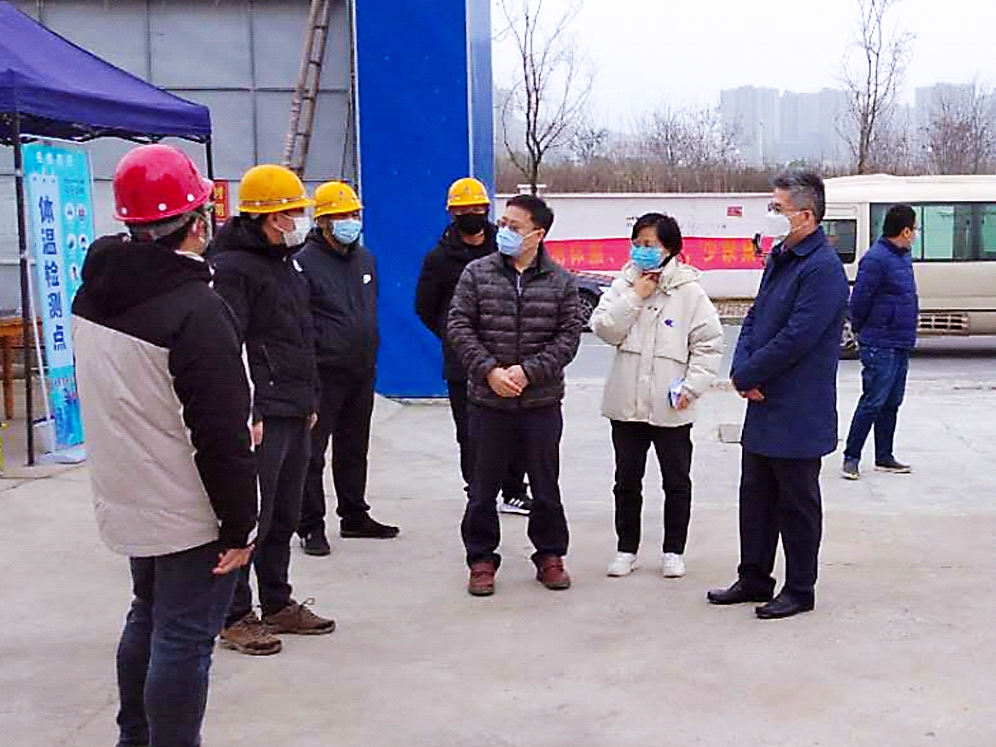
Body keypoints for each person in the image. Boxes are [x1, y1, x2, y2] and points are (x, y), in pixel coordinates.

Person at [72, 144, 257, 747]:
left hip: (128, 491)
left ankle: (134, 737)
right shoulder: (195, 309)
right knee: (183, 639)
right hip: (186, 507)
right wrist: (240, 525)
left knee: (147, 616)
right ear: (196, 221)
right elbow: (221, 438)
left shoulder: (96, 290)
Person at [707, 170, 849, 620]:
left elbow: (797, 337)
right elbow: (755, 317)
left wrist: (751, 372)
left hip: (798, 406)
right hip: (762, 400)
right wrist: (740, 370)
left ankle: (800, 588)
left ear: (805, 215)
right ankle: (754, 577)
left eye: (777, 208)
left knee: (797, 503)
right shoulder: (781, 256)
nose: (770, 215)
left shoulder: (822, 268)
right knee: (756, 496)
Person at [210, 165, 335, 655]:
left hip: (295, 405)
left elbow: (301, 336)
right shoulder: (231, 269)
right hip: (262, 411)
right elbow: (228, 346)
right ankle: (234, 613)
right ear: (267, 216)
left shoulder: (287, 263)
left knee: (284, 513)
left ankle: (277, 601)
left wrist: (311, 398)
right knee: (250, 517)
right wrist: (251, 411)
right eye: (292, 212)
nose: (299, 221)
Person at [448, 193, 583, 597]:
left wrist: (528, 372)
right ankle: (481, 559)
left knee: (545, 486)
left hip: (540, 403)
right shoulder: (477, 274)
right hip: (488, 402)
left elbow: (569, 338)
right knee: (482, 488)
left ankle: (550, 555)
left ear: (537, 235)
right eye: (503, 223)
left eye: (514, 226)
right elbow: (458, 325)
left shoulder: (561, 282)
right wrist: (489, 370)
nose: (503, 231)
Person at [590, 212, 724, 580]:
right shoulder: (624, 284)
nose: (641, 251)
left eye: (649, 244)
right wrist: (636, 296)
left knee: (676, 482)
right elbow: (604, 328)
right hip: (627, 404)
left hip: (672, 405)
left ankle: (673, 551)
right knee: (626, 481)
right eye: (636, 244)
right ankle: (626, 549)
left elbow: (708, 344)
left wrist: (692, 387)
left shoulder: (689, 292)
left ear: (669, 248)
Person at [415, 177, 532, 515]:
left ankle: (514, 491)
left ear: (486, 210)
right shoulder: (439, 258)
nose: (471, 214)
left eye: (477, 208)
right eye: (463, 209)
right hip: (463, 362)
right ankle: (478, 492)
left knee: (516, 428)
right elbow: (426, 307)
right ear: (452, 214)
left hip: (509, 355)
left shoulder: (505, 249)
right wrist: (456, 338)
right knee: (471, 432)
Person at [295, 181, 399, 555]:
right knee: (311, 453)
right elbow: (299, 321)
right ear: (323, 221)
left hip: (361, 369)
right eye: (341, 216)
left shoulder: (365, 259)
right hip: (322, 374)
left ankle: (354, 515)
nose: (350, 221)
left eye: (354, 214)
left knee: (354, 447)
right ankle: (310, 525)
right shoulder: (303, 263)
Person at [841, 204, 919, 480]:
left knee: (892, 401)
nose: (916, 234)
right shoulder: (876, 259)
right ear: (905, 231)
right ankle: (851, 457)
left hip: (900, 340)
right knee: (873, 400)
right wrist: (861, 330)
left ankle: (884, 456)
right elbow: (859, 300)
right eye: (915, 229)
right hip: (879, 341)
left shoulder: (902, 256)